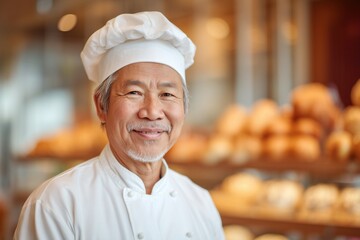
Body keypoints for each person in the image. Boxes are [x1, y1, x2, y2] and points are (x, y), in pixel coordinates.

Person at [14, 11, 225, 240]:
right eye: (134, 92)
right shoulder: (55, 205)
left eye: (167, 94)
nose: (152, 112)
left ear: (184, 108)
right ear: (101, 106)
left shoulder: (200, 203)